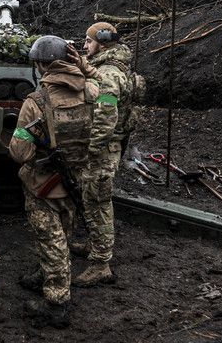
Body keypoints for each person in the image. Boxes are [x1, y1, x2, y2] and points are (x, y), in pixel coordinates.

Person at [8, 35, 101, 328]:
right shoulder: (92, 91)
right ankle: (44, 273)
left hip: (44, 183)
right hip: (78, 177)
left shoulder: (36, 102)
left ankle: (57, 302)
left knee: (52, 239)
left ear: (40, 65)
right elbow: (112, 100)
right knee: (62, 230)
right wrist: (86, 69)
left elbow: (20, 152)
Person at [65, 21, 144, 287]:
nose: (85, 46)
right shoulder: (112, 66)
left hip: (103, 148)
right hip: (109, 145)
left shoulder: (109, 74)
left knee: (98, 204)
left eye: (88, 42)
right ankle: (93, 244)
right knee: (91, 201)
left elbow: (106, 116)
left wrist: (92, 150)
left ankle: (101, 263)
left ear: (102, 42)